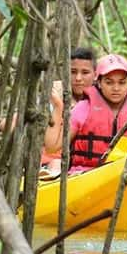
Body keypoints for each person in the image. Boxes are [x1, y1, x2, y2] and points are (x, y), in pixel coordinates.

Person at [64, 53, 127, 173]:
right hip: (85, 173)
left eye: (122, 82)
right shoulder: (82, 108)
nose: (116, 88)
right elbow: (58, 147)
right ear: (99, 82)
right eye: (109, 82)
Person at [40, 47, 96, 177]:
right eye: (73, 72)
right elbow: (6, 124)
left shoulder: (102, 97)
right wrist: (56, 105)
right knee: (55, 163)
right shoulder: (55, 92)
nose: (78, 78)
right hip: (52, 160)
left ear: (95, 75)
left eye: (85, 72)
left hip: (85, 163)